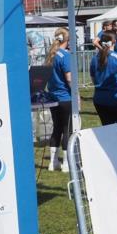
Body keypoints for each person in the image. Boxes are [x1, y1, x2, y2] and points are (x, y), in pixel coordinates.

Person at [45, 28, 73, 171]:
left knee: (57, 128)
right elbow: (69, 78)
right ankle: (67, 164)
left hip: (53, 96)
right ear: (67, 40)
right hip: (65, 97)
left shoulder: (51, 54)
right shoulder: (65, 55)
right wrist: (76, 93)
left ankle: (53, 162)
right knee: (67, 129)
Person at [90, 31, 117, 125]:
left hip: (99, 99)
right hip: (116, 98)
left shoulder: (94, 58)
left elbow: (93, 79)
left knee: (107, 129)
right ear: (114, 42)